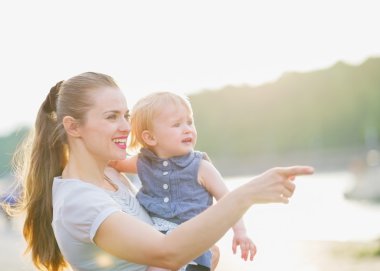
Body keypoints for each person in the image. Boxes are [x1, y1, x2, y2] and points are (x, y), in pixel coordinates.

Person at [12, 71, 314, 271]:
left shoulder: (113, 177)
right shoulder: (80, 200)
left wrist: (204, 253)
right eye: (111, 116)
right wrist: (246, 194)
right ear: (73, 127)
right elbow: (168, 253)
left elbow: (178, 246)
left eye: (126, 115)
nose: (125, 126)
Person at [110, 92, 255, 271]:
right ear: (150, 137)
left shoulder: (200, 167)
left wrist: (241, 232)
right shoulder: (143, 162)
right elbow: (114, 162)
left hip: (191, 247)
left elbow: (229, 200)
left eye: (189, 122)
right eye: (176, 124)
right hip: (156, 242)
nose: (187, 129)